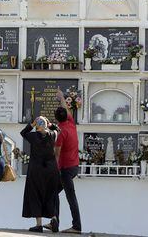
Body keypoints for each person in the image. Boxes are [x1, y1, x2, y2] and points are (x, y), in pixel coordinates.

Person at [20, 116, 60, 233]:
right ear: (46, 124)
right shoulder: (52, 135)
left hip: (36, 169)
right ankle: (53, 219)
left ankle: (39, 225)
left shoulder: (33, 136)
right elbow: (58, 130)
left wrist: (31, 124)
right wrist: (50, 125)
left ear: (37, 125)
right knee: (50, 194)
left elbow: (23, 132)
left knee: (36, 194)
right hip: (51, 169)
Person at [54, 88, 82, 234]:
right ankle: (54, 222)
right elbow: (66, 110)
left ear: (57, 119)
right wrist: (62, 99)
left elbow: (56, 153)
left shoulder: (61, 132)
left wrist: (53, 168)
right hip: (74, 166)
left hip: (65, 169)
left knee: (71, 197)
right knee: (53, 192)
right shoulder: (70, 123)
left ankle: (76, 226)